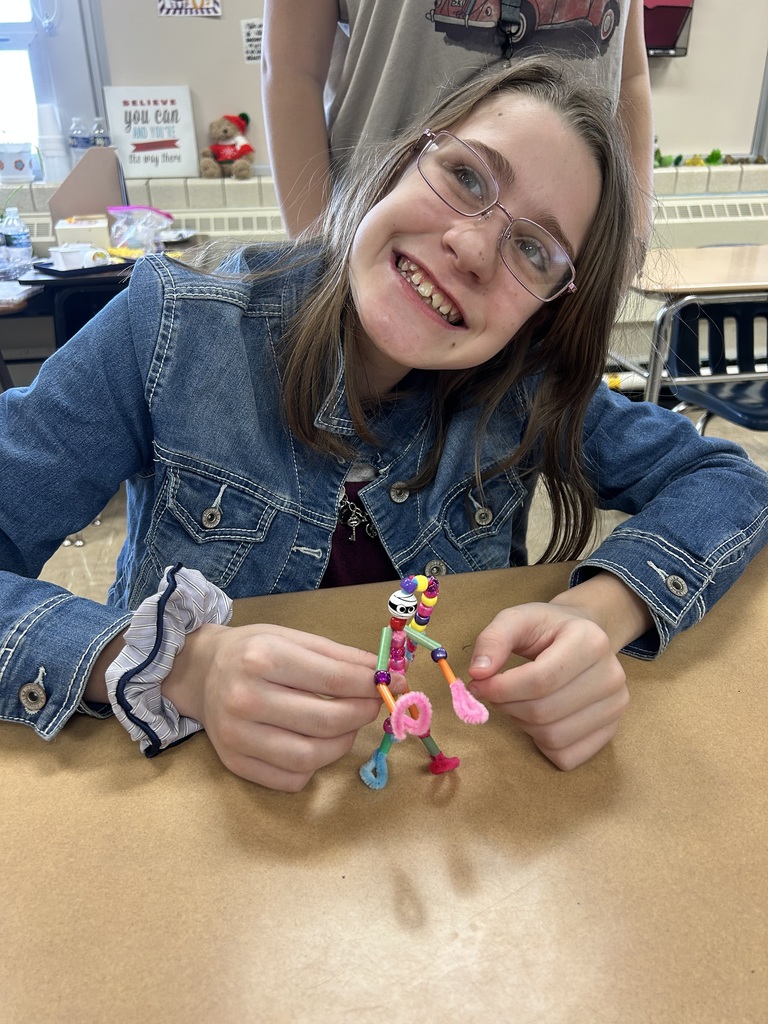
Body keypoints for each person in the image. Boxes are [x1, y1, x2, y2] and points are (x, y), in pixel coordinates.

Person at [2, 58, 766, 794]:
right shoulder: (169, 331)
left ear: (547, 311)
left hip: (437, 827)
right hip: (174, 810)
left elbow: (728, 481)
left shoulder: (522, 387)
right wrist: (178, 666)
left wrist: (598, 611)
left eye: (533, 249)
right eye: (467, 175)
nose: (470, 248)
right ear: (403, 161)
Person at [261, 0, 653, 246]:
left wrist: (630, 242)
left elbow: (630, 77)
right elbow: (290, 71)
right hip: (372, 256)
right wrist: (315, 255)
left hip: (550, 282)